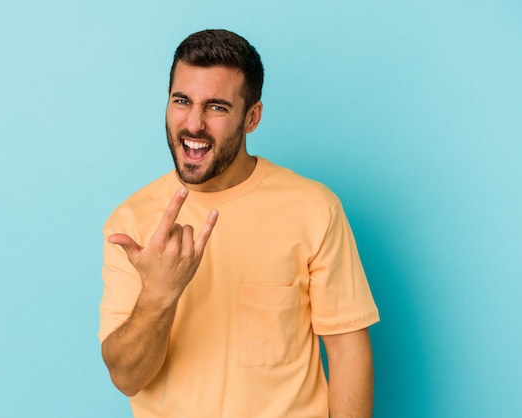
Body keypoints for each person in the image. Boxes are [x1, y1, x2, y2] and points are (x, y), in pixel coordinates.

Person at [99, 29, 379, 418]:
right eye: (182, 101)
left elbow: (348, 349)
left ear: (252, 118)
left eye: (216, 107)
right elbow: (127, 378)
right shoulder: (131, 222)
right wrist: (158, 296)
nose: (193, 124)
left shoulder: (314, 209)